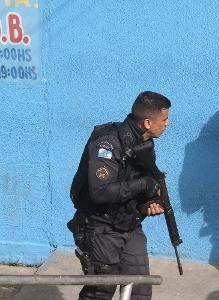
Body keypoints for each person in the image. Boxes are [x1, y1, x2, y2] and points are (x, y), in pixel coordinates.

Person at [67, 91, 171, 300]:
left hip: (129, 225)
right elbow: (101, 192)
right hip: (100, 228)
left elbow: (136, 185)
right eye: (165, 118)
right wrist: (143, 185)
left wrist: (148, 203)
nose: (167, 123)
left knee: (140, 289)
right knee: (100, 292)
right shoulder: (107, 144)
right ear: (148, 122)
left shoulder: (144, 143)